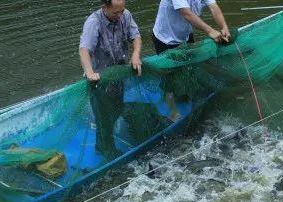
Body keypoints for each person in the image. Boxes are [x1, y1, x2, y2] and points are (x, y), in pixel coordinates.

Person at [79, 0, 142, 159]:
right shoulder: (93, 23)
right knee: (103, 118)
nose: (120, 15)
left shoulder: (125, 15)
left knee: (116, 108)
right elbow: (84, 50)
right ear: (104, 7)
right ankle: (104, 148)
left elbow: (136, 37)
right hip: (99, 80)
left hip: (118, 73)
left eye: (122, 10)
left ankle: (110, 131)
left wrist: (135, 55)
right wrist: (89, 71)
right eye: (116, 12)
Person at [152, 0, 230, 121]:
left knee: (191, 67)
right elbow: (186, 13)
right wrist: (210, 31)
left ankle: (186, 95)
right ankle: (173, 112)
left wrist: (223, 27)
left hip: (186, 35)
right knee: (169, 78)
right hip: (166, 39)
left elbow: (214, 7)